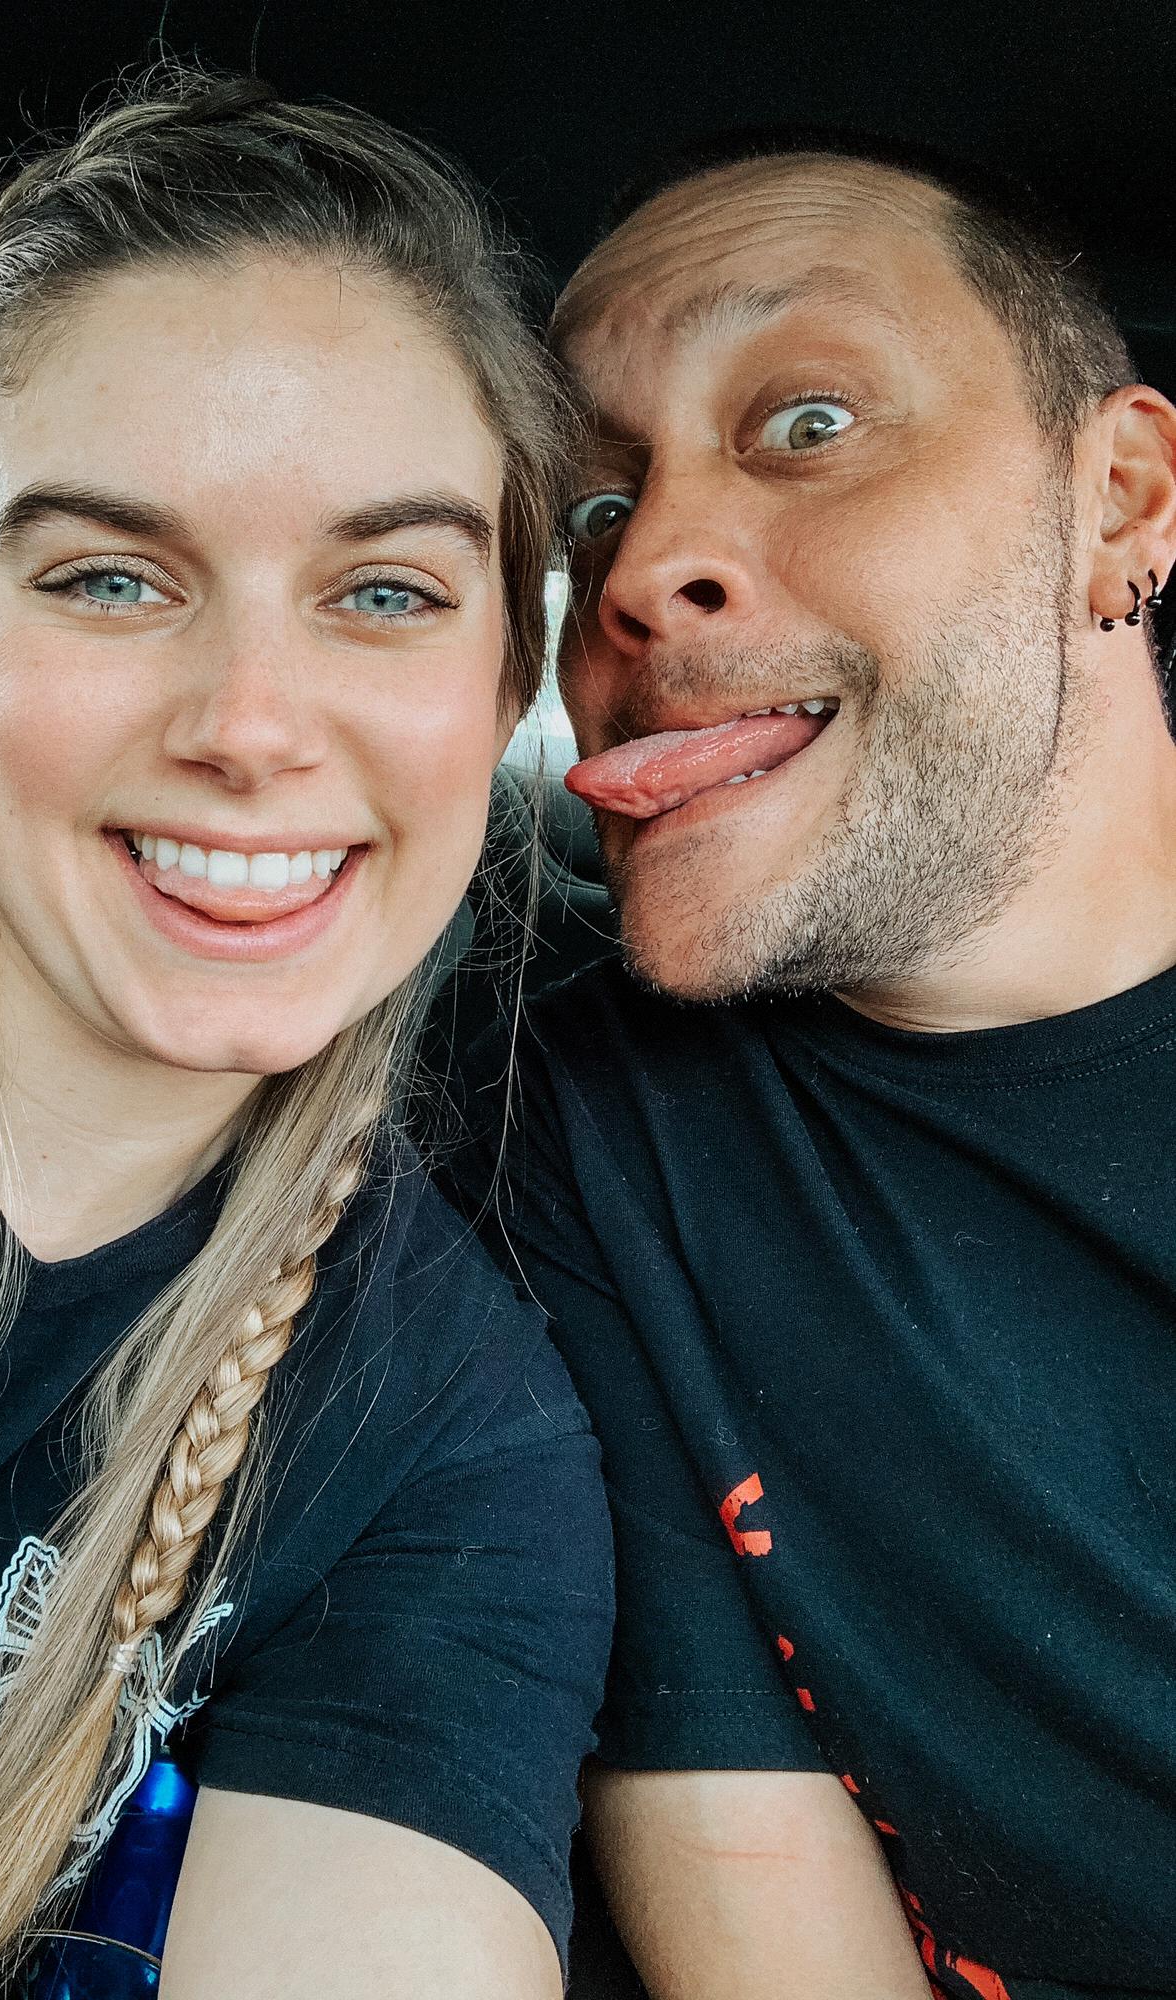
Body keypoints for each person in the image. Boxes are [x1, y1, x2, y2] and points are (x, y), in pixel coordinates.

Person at [0, 71, 615, 2000]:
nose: (251, 725)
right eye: (110, 577)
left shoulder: (446, 1440)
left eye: (385, 592)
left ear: (500, 681)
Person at [449, 133, 1176, 2000]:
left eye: (811, 423)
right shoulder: (573, 1135)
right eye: (593, 507)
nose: (640, 571)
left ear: (1119, 504)